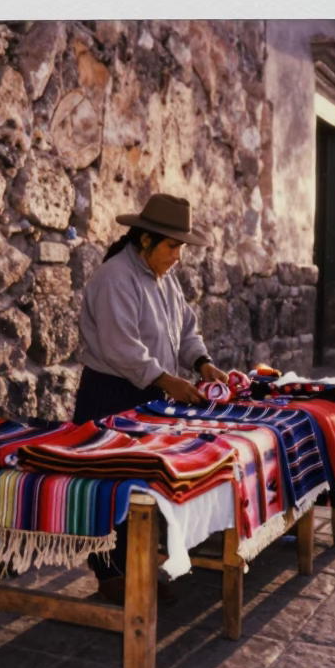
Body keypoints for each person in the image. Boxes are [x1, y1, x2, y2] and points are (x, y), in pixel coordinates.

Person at [74, 193, 229, 604]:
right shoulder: (114, 279)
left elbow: (186, 329)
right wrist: (167, 381)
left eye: (180, 247)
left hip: (149, 396)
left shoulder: (166, 279)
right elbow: (121, 348)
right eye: (172, 246)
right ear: (145, 240)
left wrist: (202, 363)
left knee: (141, 488)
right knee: (110, 488)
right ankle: (111, 575)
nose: (177, 256)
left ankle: (137, 567)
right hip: (110, 397)